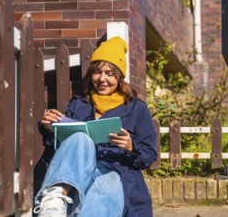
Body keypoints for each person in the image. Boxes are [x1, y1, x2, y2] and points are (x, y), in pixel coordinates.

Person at [33, 36, 158, 217]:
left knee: (108, 185)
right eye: (97, 72)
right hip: (79, 171)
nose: (102, 79)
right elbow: (62, 148)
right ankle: (53, 201)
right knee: (79, 138)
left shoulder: (137, 109)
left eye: (110, 73)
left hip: (117, 171)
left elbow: (149, 156)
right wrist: (50, 128)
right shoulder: (79, 104)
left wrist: (131, 146)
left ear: (120, 76)